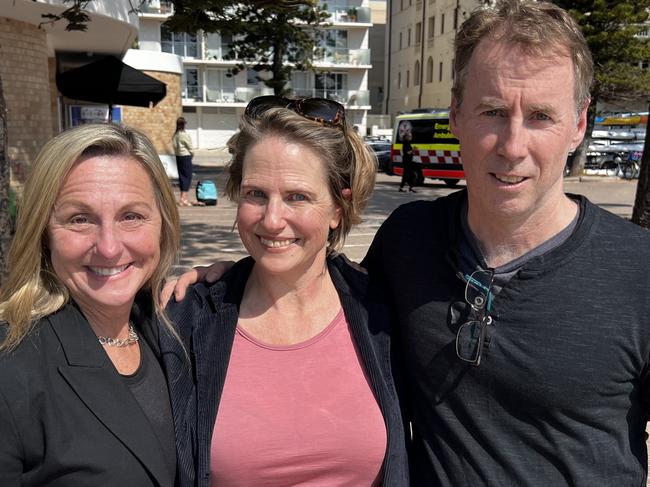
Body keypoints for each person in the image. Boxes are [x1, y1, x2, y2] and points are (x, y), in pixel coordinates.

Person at [170, 0, 650, 485]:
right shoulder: (408, 242)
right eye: (493, 111)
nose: (512, 145)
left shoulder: (639, 273)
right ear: (457, 115)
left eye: (541, 116)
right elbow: (311, 266)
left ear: (580, 124)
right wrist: (235, 275)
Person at [160, 96, 408, 487]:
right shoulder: (189, 319)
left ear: (337, 210)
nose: (272, 220)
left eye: (297, 196)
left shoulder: (383, 311)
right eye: (255, 194)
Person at [0, 123, 181, 487]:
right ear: (43, 232)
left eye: (131, 216)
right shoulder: (11, 368)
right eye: (79, 219)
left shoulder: (174, 327)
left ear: (163, 224)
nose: (110, 248)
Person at [173, 116, 194, 206]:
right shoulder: (184, 135)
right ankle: (184, 199)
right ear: (183, 125)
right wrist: (192, 154)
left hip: (178, 156)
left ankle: (183, 197)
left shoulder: (175, 135)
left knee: (182, 177)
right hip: (186, 156)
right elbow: (190, 147)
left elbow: (174, 146)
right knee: (187, 176)